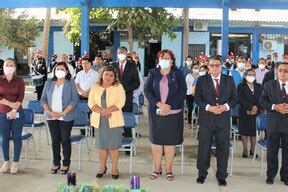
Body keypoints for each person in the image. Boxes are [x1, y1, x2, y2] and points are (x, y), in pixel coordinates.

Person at [144, 49, 186, 181]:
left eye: (168, 58)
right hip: (156, 113)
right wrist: (159, 104)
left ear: (172, 61)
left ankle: (168, 169)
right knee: (156, 142)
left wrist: (167, 107)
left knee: (169, 143)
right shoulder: (153, 72)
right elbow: (147, 90)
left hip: (173, 114)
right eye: (162, 58)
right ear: (158, 59)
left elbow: (182, 91)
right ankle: (157, 168)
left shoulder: (177, 73)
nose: (165, 60)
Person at [195, 56, 237, 186]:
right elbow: (198, 98)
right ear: (208, 66)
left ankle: (222, 176)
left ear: (221, 66)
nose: (214, 67)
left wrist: (225, 107)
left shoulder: (229, 80)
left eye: (217, 65)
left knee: (223, 148)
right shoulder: (202, 80)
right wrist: (209, 108)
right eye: (212, 65)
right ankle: (202, 174)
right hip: (206, 120)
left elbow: (234, 98)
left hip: (223, 120)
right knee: (204, 147)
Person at [40, 62, 79, 174]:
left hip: (66, 116)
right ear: (54, 70)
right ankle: (56, 162)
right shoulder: (49, 82)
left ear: (67, 71)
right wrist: (49, 112)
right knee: (55, 140)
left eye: (62, 69)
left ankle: (66, 163)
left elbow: (74, 100)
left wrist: (63, 113)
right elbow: (43, 99)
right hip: (51, 116)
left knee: (65, 139)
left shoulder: (70, 82)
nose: (60, 71)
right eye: (58, 69)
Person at [88, 65, 125, 179]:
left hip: (114, 119)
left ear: (114, 77)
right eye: (106, 74)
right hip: (100, 120)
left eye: (111, 75)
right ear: (102, 75)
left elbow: (121, 102)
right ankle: (102, 167)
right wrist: (102, 112)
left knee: (114, 146)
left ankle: (114, 168)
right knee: (102, 146)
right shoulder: (95, 87)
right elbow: (91, 102)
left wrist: (107, 110)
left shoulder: (118, 87)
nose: (108, 77)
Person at [259, 62, 288, 185]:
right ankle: (271, 175)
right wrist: (274, 106)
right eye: (280, 70)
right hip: (273, 123)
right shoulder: (269, 85)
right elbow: (262, 101)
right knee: (272, 150)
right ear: (276, 71)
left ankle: (285, 176)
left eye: (286, 70)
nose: (282, 72)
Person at [111, 46, 140, 153]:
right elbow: (108, 79)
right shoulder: (112, 65)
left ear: (126, 53)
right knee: (114, 122)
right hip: (113, 99)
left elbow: (136, 83)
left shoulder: (132, 66)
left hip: (127, 98)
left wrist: (124, 89)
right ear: (117, 53)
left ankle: (128, 147)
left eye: (123, 52)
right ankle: (115, 146)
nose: (121, 54)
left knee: (126, 121)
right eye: (119, 52)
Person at [0, 58, 25, 174]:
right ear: (3, 67)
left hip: (18, 113)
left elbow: (20, 97)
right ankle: (6, 161)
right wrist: (10, 104)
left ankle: (15, 162)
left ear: (15, 67)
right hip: (2, 113)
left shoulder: (20, 81)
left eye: (11, 65)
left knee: (16, 137)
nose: (9, 67)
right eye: (7, 65)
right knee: (4, 138)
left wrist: (14, 110)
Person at [237, 69, 262, 158]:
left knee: (254, 132)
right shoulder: (240, 86)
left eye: (253, 74)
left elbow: (261, 98)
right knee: (245, 131)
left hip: (256, 112)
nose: (251, 76)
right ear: (245, 75)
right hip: (244, 111)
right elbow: (241, 99)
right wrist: (250, 107)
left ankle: (253, 149)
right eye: (249, 74)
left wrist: (255, 108)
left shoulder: (259, 86)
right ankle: (245, 149)